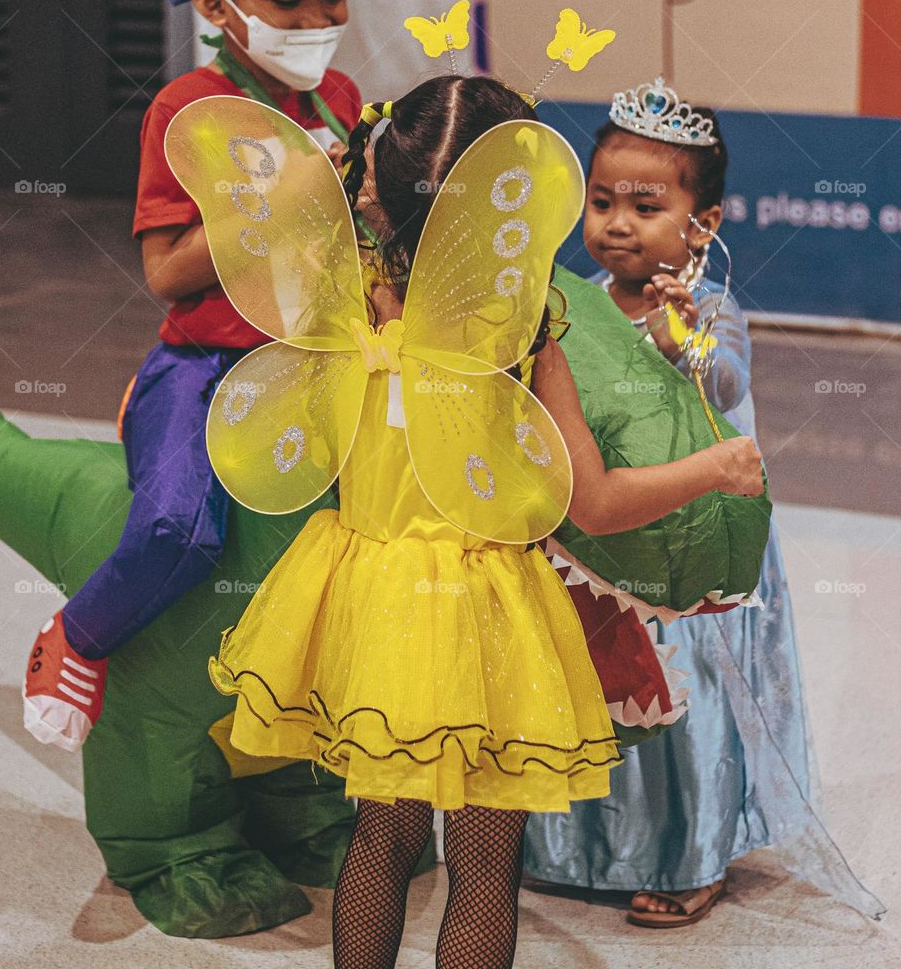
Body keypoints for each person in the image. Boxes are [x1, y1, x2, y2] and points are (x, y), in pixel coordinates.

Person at [198, 74, 765, 968]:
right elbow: (595, 503)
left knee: (380, 842)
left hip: (371, 596)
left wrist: (352, 174)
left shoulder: (337, 296)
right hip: (482, 610)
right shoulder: (524, 333)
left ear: (377, 185)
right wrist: (718, 467)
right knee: (483, 867)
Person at [23, 0, 387, 751]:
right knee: (175, 526)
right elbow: (166, 275)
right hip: (210, 363)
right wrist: (271, 201)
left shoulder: (338, 98)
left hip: (321, 355)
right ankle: (75, 635)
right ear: (220, 8)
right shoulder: (184, 111)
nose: (316, 18)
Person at [523, 78, 815, 927]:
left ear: (704, 223)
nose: (617, 222)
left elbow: (724, 383)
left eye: (645, 205)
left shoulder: (711, 309)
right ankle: (579, 848)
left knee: (688, 706)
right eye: (602, 200)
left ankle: (693, 854)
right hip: (601, 541)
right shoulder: (574, 302)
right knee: (603, 691)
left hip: (687, 548)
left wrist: (678, 337)